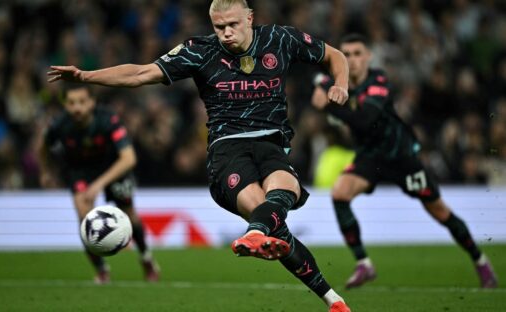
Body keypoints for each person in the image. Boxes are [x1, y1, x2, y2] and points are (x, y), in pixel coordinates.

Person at [48, 1, 352, 310]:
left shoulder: (280, 39)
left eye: (233, 25)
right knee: (265, 210)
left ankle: (332, 299)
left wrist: (341, 83)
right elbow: (141, 73)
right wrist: (85, 77)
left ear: (250, 18)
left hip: (272, 144)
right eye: (219, 27)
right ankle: (258, 233)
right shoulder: (199, 50)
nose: (226, 33)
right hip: (228, 150)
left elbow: (334, 55)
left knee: (284, 197)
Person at [312, 33, 498, 289]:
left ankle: (480, 261)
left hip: (401, 156)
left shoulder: (378, 80)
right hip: (369, 156)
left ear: (368, 56)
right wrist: (321, 91)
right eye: (346, 54)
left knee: (440, 212)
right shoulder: (338, 84)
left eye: (357, 53)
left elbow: (366, 119)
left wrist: (328, 105)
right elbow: (320, 88)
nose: (352, 60)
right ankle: (364, 263)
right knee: (339, 193)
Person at [38, 83, 160, 284]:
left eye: (82, 102)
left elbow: (129, 158)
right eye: (71, 103)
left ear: (92, 102)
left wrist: (97, 185)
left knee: (130, 215)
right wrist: (45, 171)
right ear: (65, 105)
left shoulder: (108, 120)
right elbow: (43, 146)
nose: (77, 108)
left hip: (113, 168)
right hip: (80, 171)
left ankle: (146, 258)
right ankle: (102, 270)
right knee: (83, 217)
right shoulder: (59, 125)